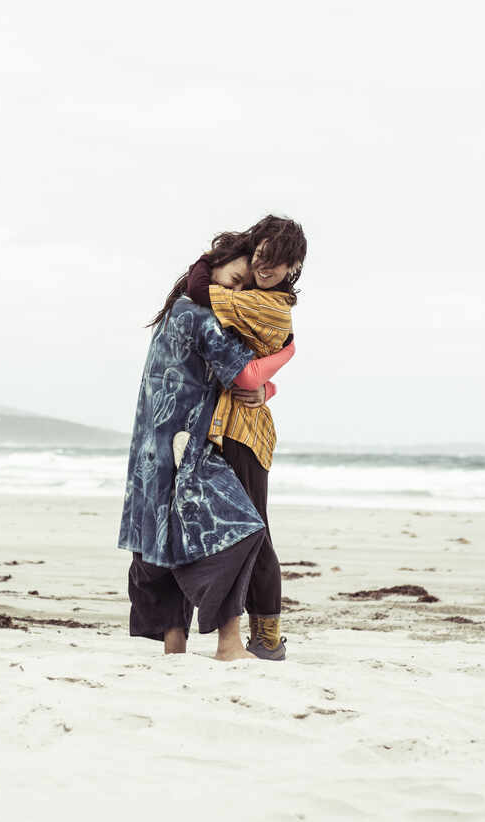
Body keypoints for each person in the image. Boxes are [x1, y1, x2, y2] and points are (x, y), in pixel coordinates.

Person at [118, 224, 297, 660]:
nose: (232, 291)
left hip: (150, 443)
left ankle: (173, 638)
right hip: (188, 441)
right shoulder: (202, 318)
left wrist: (265, 390)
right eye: (232, 281)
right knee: (240, 530)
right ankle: (230, 643)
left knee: (160, 533)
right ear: (215, 272)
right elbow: (247, 377)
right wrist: (289, 351)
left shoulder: (173, 312)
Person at [181, 216, 306, 659]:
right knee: (247, 528)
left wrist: (208, 257)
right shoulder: (256, 299)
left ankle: (267, 637)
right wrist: (265, 383)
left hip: (244, 431)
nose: (263, 268)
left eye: (274, 262)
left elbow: (198, 291)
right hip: (229, 422)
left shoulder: (267, 304)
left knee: (256, 531)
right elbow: (258, 362)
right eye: (259, 257)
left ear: (293, 265)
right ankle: (253, 634)